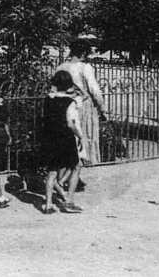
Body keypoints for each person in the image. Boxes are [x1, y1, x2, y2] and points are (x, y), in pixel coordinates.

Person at [55, 39, 108, 167]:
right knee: (86, 133)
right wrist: (102, 108)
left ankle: (69, 163)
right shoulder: (85, 68)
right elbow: (94, 90)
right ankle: (86, 161)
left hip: (65, 104)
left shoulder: (61, 67)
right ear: (84, 53)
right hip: (84, 105)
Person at [40, 70, 85, 214]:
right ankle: (69, 201)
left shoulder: (48, 99)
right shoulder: (69, 102)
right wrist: (80, 136)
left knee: (52, 171)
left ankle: (48, 204)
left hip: (49, 137)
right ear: (68, 85)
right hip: (65, 137)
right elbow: (70, 124)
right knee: (76, 166)